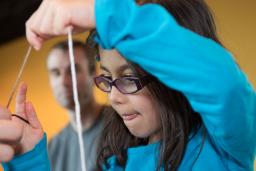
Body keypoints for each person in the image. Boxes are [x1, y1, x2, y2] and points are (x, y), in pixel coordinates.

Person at [1, 0, 256, 170]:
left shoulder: (223, 147)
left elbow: (223, 84)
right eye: (107, 78)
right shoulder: (115, 162)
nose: (113, 97)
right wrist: (28, 158)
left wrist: (104, 14)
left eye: (128, 77)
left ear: (171, 75)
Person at [46, 40, 106, 171]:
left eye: (73, 70)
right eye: (56, 73)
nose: (63, 82)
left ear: (93, 73)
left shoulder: (122, 125)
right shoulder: (53, 148)